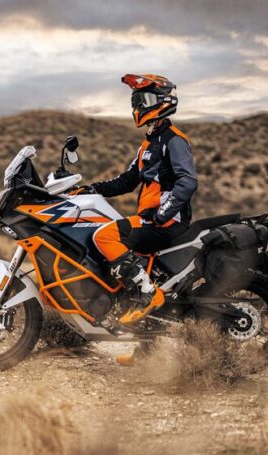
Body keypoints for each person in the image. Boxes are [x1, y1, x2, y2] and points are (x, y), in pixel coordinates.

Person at [87, 74, 198, 332]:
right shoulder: (149, 142)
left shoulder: (174, 139)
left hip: (166, 222)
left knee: (104, 236)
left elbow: (188, 181)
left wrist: (163, 214)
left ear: (163, 101)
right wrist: (93, 189)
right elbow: (127, 180)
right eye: (136, 101)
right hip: (153, 219)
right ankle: (139, 330)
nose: (138, 106)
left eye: (144, 100)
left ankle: (147, 294)